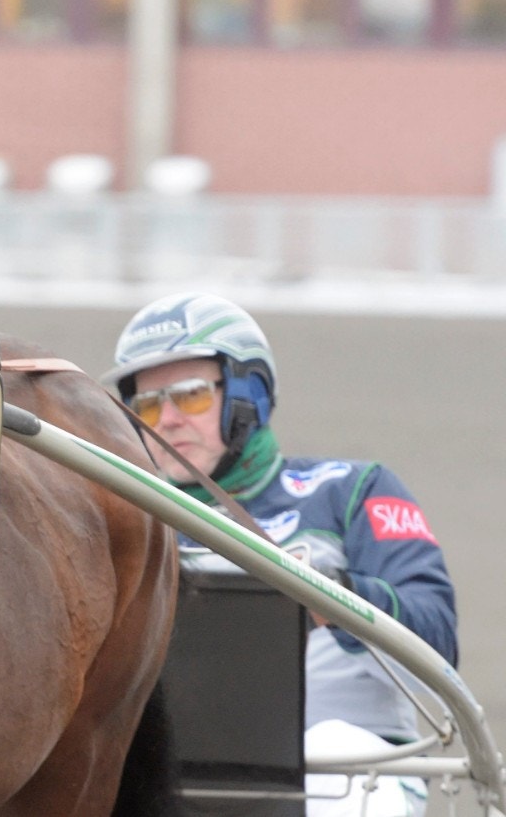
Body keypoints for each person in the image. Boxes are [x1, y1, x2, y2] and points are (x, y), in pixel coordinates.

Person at [103, 292, 457, 817]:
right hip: (174, 777)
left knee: (333, 743)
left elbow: (439, 643)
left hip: (344, 773)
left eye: (192, 395)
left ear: (250, 395)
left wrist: (333, 596)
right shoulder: (126, 523)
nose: (168, 420)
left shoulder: (354, 490)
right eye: (149, 405)